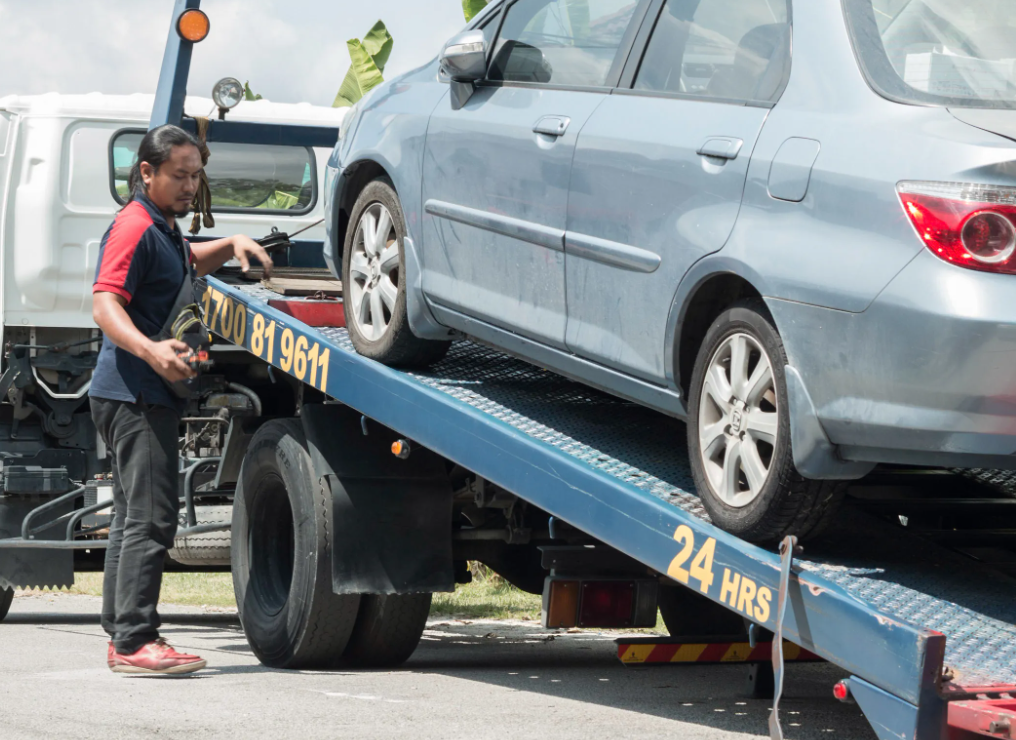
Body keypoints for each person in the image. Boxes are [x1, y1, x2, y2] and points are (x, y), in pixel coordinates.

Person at [91, 124, 273, 674]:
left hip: (136, 392)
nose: (191, 185)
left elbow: (187, 262)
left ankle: (121, 634)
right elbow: (104, 304)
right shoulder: (133, 227)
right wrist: (150, 351)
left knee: (130, 517)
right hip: (135, 392)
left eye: (197, 175)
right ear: (146, 172)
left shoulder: (163, 226)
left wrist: (231, 243)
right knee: (152, 518)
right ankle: (135, 641)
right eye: (180, 175)